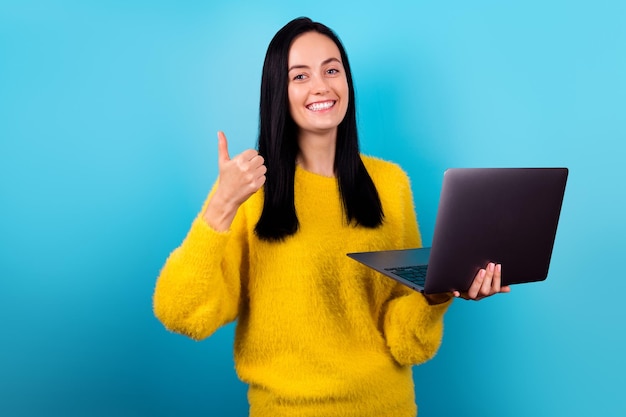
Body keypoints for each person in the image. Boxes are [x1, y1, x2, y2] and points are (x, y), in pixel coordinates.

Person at [153, 17, 510, 417]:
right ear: (278, 92)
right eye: (300, 75)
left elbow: (407, 343)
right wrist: (221, 205)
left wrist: (441, 292)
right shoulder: (247, 191)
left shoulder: (390, 185)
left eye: (332, 70)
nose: (321, 85)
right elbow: (182, 314)